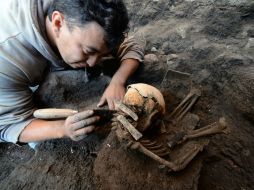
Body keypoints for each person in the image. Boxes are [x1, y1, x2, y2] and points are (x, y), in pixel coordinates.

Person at [0, 0, 144, 145]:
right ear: (58, 23)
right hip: (6, 81)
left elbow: (132, 45)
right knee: (40, 142)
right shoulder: (7, 56)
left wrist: (117, 81)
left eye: (100, 54)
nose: (92, 62)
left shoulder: (85, 19)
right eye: (89, 51)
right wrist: (62, 128)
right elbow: (7, 126)